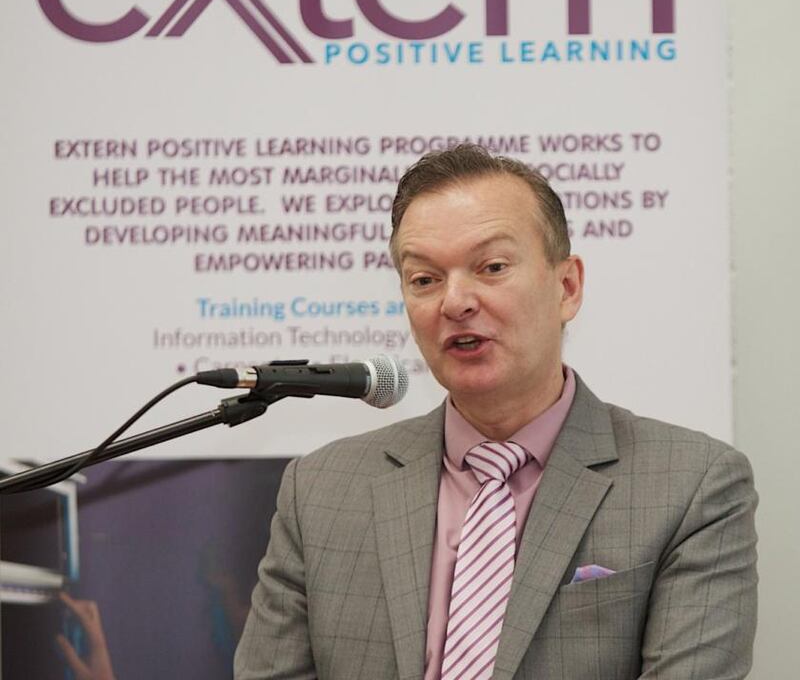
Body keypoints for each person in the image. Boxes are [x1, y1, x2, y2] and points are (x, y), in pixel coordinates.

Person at [234, 144, 757, 679]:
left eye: (492, 267)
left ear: (567, 287)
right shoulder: (320, 490)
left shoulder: (691, 485)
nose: (455, 302)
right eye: (424, 279)